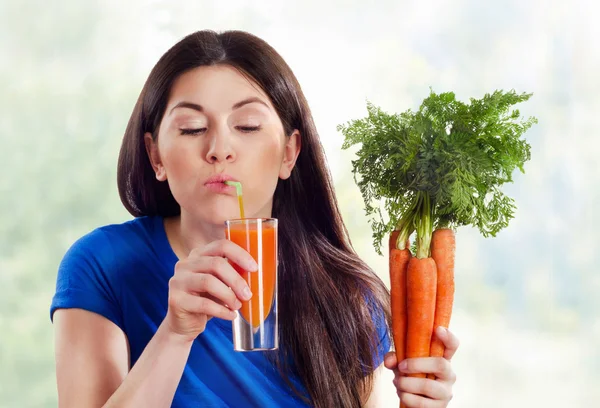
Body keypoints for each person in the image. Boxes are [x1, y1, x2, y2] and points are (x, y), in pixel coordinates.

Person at [50, 29, 459, 408]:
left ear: (289, 153)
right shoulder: (102, 265)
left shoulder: (347, 297)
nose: (219, 149)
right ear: (155, 155)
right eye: (192, 128)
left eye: (246, 125)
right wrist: (175, 335)